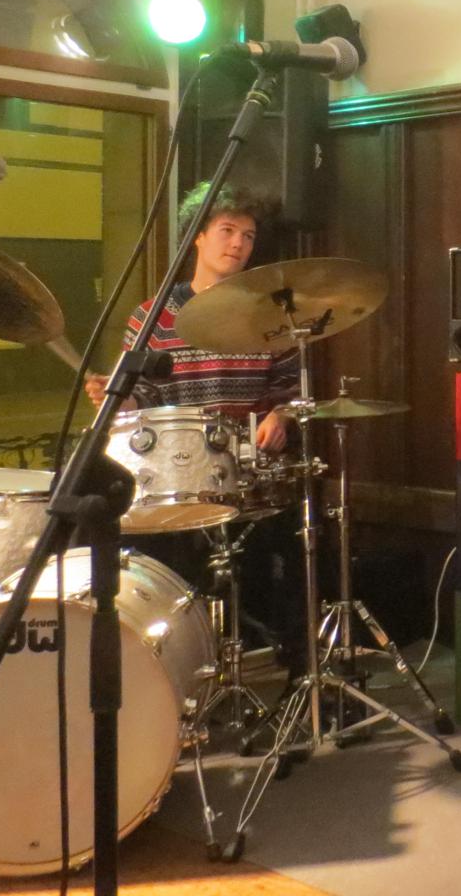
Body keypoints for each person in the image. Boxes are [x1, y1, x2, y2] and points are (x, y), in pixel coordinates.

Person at [85, 183, 301, 661]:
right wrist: (116, 399)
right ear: (197, 236)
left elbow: (290, 390)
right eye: (227, 230)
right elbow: (143, 397)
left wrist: (281, 415)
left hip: (247, 471)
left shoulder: (268, 315)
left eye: (248, 235)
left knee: (289, 549)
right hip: (176, 474)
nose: (238, 243)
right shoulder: (152, 316)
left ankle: (281, 658)